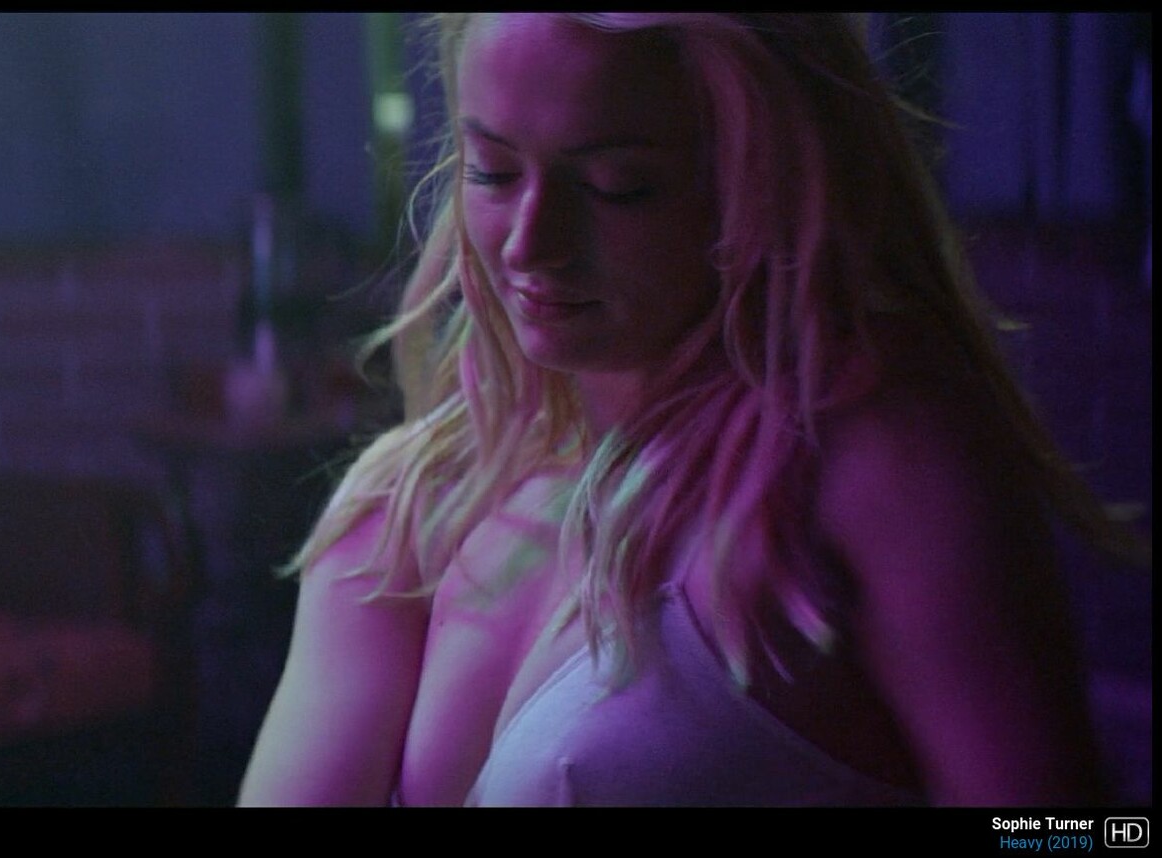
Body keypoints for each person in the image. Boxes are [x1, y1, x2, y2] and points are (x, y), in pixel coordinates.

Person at [239, 12, 1147, 807]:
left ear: (762, 176)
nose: (531, 245)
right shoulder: (404, 507)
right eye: (494, 172)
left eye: (618, 185)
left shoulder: (871, 462)